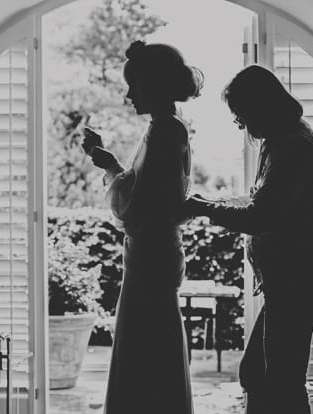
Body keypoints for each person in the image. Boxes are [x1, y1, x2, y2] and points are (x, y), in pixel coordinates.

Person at [184, 65, 313, 414]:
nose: (241, 124)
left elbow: (261, 217)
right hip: (294, 279)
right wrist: (210, 204)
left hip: (299, 280)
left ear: (261, 107)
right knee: (258, 374)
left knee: (283, 384)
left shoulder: (293, 146)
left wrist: (205, 209)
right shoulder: (284, 139)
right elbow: (264, 204)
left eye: (241, 115)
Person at [83, 40, 203, 414]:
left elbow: (141, 208)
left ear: (153, 85)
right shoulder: (166, 128)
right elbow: (149, 197)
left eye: (134, 86)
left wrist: (111, 166)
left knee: (145, 343)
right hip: (153, 250)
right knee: (151, 342)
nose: (129, 95)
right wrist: (111, 165)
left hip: (151, 254)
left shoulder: (165, 131)